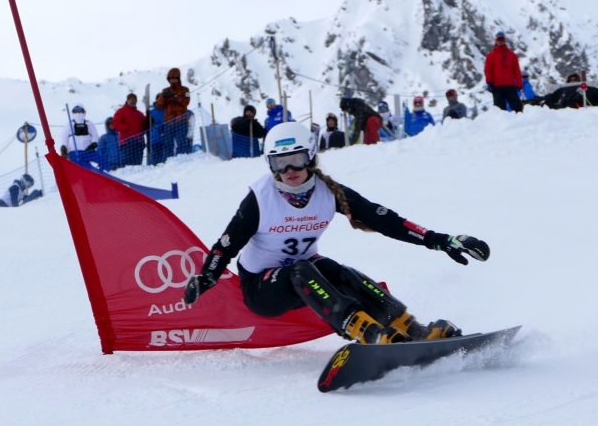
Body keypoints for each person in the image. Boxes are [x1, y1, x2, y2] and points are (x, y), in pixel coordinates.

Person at [183, 121, 491, 344]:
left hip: (309, 276)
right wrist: (207, 276)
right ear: (270, 165)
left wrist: (440, 240)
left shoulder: (328, 192)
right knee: (302, 268)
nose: (290, 170)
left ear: (312, 157)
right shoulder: (260, 198)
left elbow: (385, 219)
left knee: (338, 270)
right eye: (281, 162)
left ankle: (408, 327)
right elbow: (228, 243)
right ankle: (364, 331)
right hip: (261, 289)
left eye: (297, 160)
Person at [484, 31, 524, 112]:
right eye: (499, 39)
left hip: (510, 86)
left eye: (502, 39)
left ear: (505, 40)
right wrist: (489, 82)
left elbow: (516, 70)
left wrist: (519, 84)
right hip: (497, 87)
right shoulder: (491, 55)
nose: (501, 41)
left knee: (518, 108)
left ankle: (521, 123)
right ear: (496, 41)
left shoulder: (512, 55)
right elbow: (488, 70)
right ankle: (502, 125)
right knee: (500, 111)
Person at [157, 67, 191, 157]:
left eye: (174, 78)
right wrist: (163, 97)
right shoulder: (165, 91)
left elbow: (187, 102)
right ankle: (168, 162)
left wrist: (175, 97)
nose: (173, 80)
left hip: (181, 120)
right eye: (171, 78)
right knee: (167, 143)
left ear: (178, 78)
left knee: (181, 142)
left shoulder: (185, 90)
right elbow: (159, 106)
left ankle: (181, 159)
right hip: (169, 122)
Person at [112, 93, 147, 166]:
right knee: (127, 164)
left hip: (138, 142)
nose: (132, 101)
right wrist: (126, 128)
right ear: (127, 100)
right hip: (126, 142)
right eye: (131, 99)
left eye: (134, 100)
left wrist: (149, 120)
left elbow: (145, 125)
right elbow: (116, 123)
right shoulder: (121, 111)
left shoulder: (139, 114)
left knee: (137, 164)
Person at [147, 93, 166, 165]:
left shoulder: (167, 111)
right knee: (155, 162)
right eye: (159, 99)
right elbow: (146, 126)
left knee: (165, 162)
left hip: (165, 140)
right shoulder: (151, 112)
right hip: (154, 140)